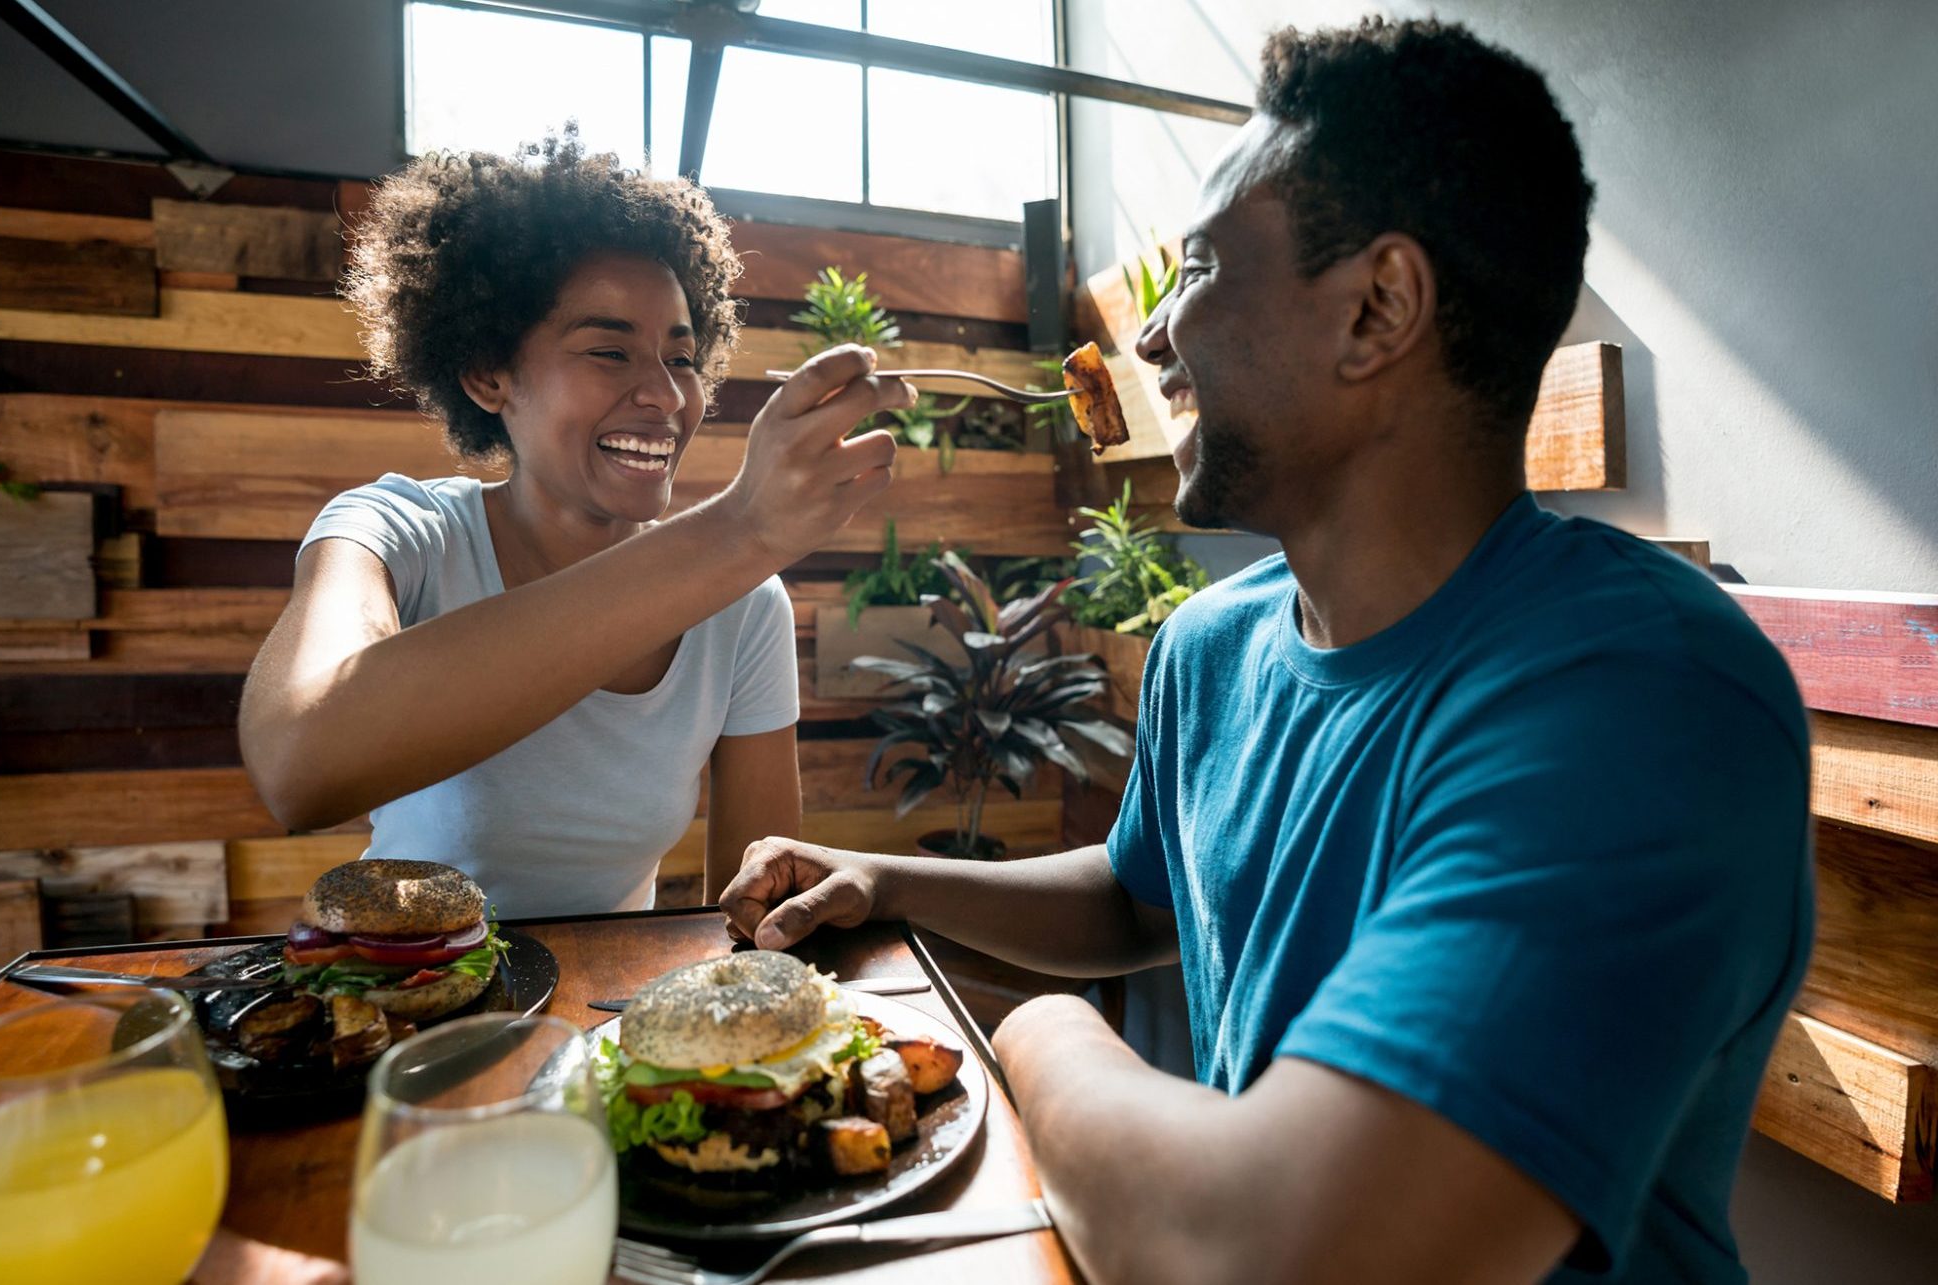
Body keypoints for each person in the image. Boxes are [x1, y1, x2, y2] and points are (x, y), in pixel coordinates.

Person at [721, 18, 1811, 1284]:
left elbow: (1274, 1247)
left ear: (1375, 310)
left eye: (1194, 271)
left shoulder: (1637, 696)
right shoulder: (1212, 645)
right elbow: (1143, 894)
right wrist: (888, 879)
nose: (1147, 338)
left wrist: (1042, 1035)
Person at [239, 126, 913, 918]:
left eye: (682, 357)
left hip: (603, 1024)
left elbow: (756, 914)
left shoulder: (743, 605)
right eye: (608, 351)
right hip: (408, 1002)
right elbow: (297, 764)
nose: (665, 395)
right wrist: (737, 532)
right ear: (488, 373)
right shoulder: (397, 532)